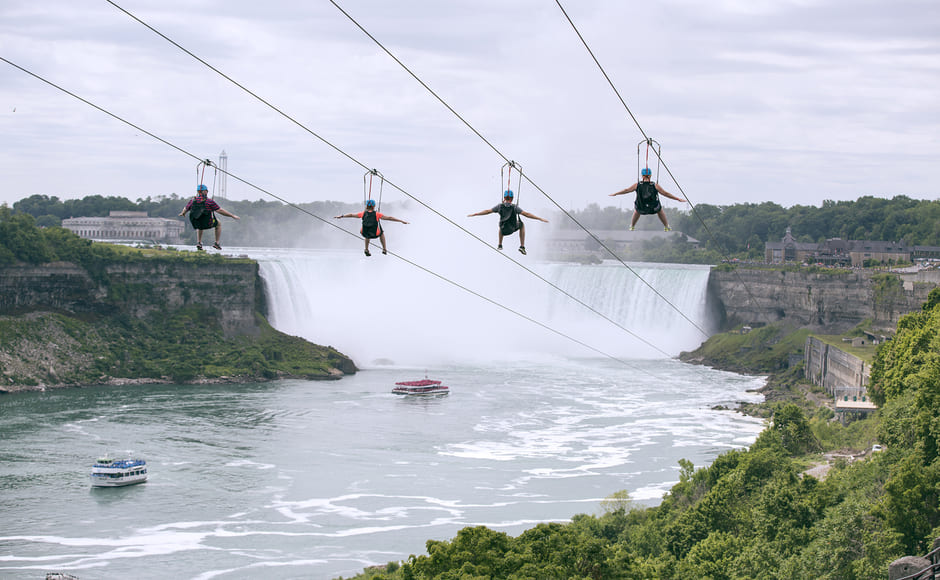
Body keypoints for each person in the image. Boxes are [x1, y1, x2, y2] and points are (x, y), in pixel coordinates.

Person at [467, 190, 548, 255]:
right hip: (512, 228)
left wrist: (475, 214)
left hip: (504, 231)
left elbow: (488, 211)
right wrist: (539, 218)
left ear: (504, 198)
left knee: (501, 225)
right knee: (522, 224)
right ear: (512, 199)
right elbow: (526, 214)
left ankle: (500, 244)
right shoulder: (514, 207)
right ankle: (522, 246)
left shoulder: (499, 206)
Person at [609, 168, 687, 231]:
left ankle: (632, 226)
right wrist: (677, 199)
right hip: (654, 208)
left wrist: (616, 193)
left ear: (642, 176)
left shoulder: (637, 185)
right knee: (660, 210)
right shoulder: (654, 185)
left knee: (636, 211)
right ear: (650, 176)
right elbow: (665, 193)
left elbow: (626, 190)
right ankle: (666, 226)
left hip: (641, 208)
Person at [334, 199, 409, 256]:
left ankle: (366, 249)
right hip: (375, 234)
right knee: (381, 233)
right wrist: (401, 221)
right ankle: (384, 249)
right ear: (374, 206)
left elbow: (351, 215)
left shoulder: (362, 213)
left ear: (366, 206)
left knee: (367, 232)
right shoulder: (377, 214)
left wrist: (342, 216)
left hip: (364, 233)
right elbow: (390, 218)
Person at [178, 184, 240, 250]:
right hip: (208, 223)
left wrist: (183, 213)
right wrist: (232, 216)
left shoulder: (193, 200)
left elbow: (185, 208)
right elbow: (220, 210)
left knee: (200, 223)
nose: (207, 192)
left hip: (196, 223)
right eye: (206, 191)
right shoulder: (209, 201)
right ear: (204, 191)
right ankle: (217, 243)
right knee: (218, 224)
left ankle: (199, 242)